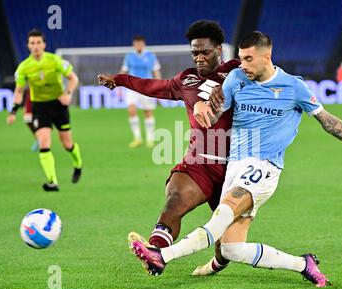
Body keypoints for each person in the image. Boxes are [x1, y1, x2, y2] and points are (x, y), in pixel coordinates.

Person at [130, 31, 342, 287]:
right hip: (234, 167)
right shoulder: (235, 78)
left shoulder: (294, 86)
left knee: (220, 217)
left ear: (266, 57)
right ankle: (304, 265)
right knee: (233, 249)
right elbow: (214, 115)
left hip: (264, 168)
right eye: (241, 58)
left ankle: (162, 256)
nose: (242, 65)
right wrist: (200, 106)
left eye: (248, 59)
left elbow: (329, 123)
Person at [98, 20, 240, 273]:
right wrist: (119, 80)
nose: (199, 58)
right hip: (200, 162)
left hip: (236, 166)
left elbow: (267, 75)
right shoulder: (185, 80)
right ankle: (154, 253)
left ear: (219, 49)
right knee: (174, 201)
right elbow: (154, 87)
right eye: (194, 53)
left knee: (229, 248)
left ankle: (217, 263)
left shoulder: (237, 70)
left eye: (204, 52)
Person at [7, 29, 83, 191]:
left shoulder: (55, 60)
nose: (35, 46)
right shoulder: (23, 68)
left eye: (38, 43)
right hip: (40, 107)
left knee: (67, 144)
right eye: (32, 43)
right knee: (44, 142)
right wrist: (13, 111)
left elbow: (73, 78)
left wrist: (68, 93)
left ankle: (78, 164)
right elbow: (19, 91)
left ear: (44, 44)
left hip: (58, 105)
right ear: (28, 46)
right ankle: (52, 181)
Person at [120, 35, 162, 148]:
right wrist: (118, 86)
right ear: (134, 44)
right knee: (131, 110)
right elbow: (123, 71)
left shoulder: (151, 56)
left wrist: (159, 87)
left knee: (148, 112)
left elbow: (156, 72)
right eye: (136, 43)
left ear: (143, 44)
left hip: (146, 87)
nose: (138, 45)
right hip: (132, 87)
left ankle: (149, 139)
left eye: (140, 43)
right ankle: (137, 138)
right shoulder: (129, 56)